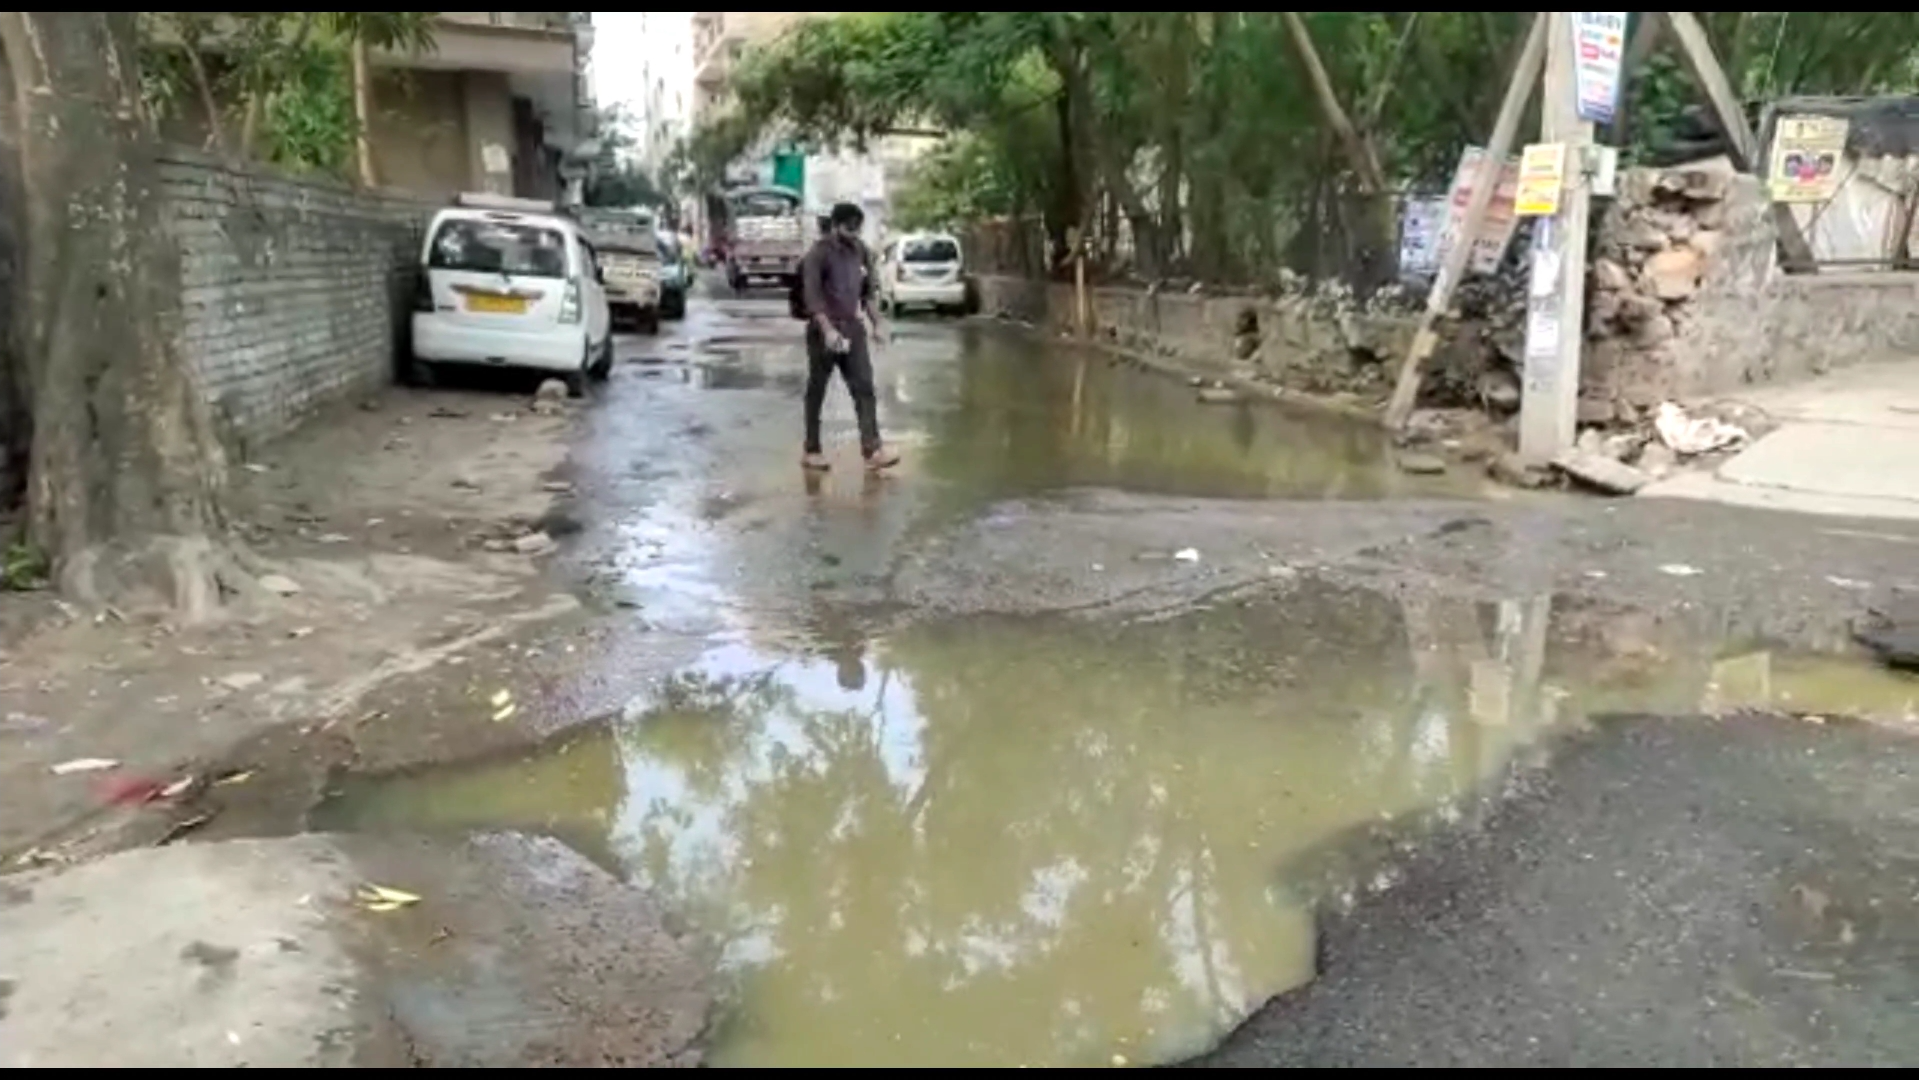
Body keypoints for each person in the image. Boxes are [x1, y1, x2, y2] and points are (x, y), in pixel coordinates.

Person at [798, 202, 899, 472]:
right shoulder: (818, 254)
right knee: (817, 389)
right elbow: (812, 296)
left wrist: (877, 323)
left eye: (857, 227)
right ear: (835, 225)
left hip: (853, 328)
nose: (853, 233)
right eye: (848, 227)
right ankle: (811, 449)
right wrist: (828, 330)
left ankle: (872, 450)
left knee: (864, 387)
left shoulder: (861, 252)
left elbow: (867, 293)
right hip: (824, 330)